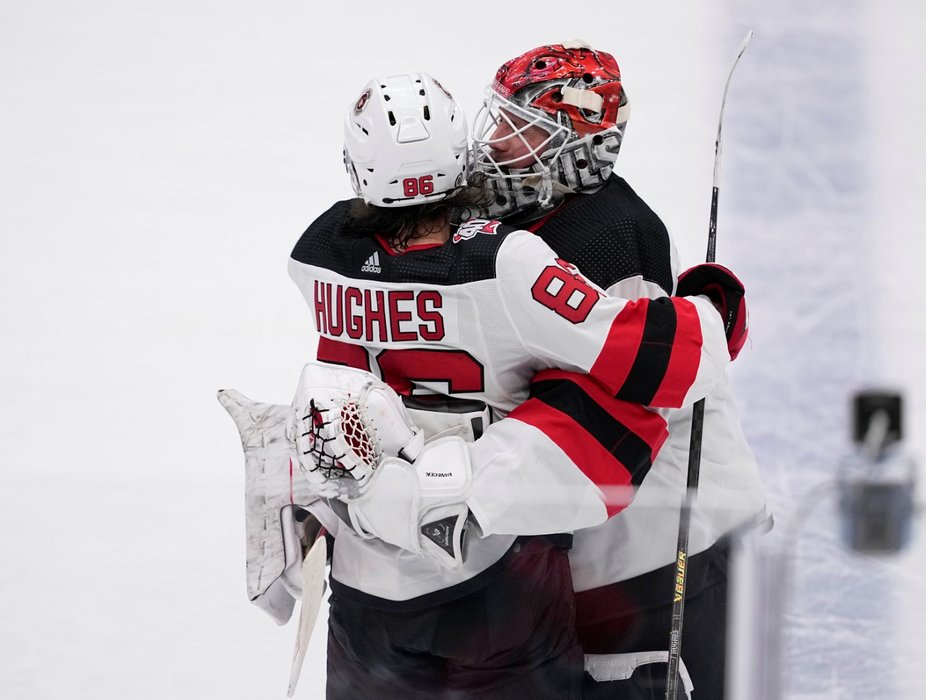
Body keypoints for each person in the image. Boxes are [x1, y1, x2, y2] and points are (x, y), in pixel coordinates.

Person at [279, 70, 745, 699]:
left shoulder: (319, 256)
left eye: (517, 129)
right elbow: (666, 361)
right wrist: (712, 307)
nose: (495, 143)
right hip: (496, 573)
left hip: (368, 582)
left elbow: (335, 395)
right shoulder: (508, 262)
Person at [467, 42, 770, 698]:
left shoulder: (608, 240)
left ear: (575, 149)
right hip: (616, 550)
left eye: (518, 131)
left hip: (672, 552)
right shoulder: (529, 221)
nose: (493, 144)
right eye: (496, 122)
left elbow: (630, 407)